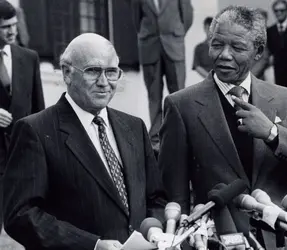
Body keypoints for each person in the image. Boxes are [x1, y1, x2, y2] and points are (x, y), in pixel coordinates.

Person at [158, 5, 287, 249]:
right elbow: (174, 196)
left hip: (280, 240)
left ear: (258, 52)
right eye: (217, 44)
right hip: (216, 241)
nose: (224, 55)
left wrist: (272, 133)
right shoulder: (180, 105)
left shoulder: (285, 99)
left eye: (237, 47)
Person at [2, 33, 165, 250]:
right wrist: (93, 245)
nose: (104, 82)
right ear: (67, 73)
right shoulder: (35, 130)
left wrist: (153, 229)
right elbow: (20, 215)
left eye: (111, 72)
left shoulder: (134, 127)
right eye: (93, 71)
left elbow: (155, 198)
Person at [0, 0, 44, 228]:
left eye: (14, 25)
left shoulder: (29, 58)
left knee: (31, 227)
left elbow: (39, 110)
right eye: (5, 26)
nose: (12, 31)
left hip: (22, 157)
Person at [131, 0, 193, 150]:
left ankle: (181, 133)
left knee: (179, 93)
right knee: (154, 95)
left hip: (174, 46)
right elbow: (136, 19)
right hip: (149, 47)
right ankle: (155, 138)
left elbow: (188, 17)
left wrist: (175, 33)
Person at [267, 0, 287, 89]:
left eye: (282, 10)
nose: (279, 13)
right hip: (278, 72)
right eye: (276, 11)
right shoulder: (270, 30)